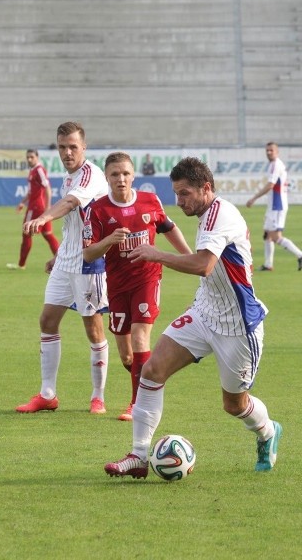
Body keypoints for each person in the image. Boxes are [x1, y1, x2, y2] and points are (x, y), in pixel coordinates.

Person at [104, 157, 282, 479]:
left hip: (237, 326)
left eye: (185, 193)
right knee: (152, 369)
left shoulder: (222, 214)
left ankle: (268, 433)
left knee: (234, 405)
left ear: (206, 188)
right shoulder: (206, 215)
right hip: (204, 312)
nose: (179, 201)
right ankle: (139, 456)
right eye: (176, 193)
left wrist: (156, 253)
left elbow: (203, 265)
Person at [83, 152, 192, 421]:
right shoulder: (97, 210)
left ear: (133, 175)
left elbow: (168, 227)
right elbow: (88, 254)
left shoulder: (149, 201)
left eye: (125, 174)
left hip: (147, 278)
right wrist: (109, 240)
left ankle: (137, 404)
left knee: (141, 337)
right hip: (118, 285)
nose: (121, 179)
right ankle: (147, 380)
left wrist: (190, 257)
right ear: (107, 177)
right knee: (127, 356)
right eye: (115, 174)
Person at [15, 122, 111, 415]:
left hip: (89, 263)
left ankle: (98, 397)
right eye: (62, 147)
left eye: (73, 147)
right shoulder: (68, 178)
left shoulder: (91, 175)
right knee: (47, 320)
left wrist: (43, 217)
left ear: (84, 147)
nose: (67, 152)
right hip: (67, 260)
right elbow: (73, 224)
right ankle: (47, 394)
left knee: (93, 329)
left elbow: (70, 205)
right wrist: (58, 257)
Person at [245, 142, 302, 272]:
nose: (268, 152)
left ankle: (301, 255)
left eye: (271, 150)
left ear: (277, 152)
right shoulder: (274, 165)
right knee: (267, 235)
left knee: (275, 236)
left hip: (277, 206)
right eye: (267, 150)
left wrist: (254, 198)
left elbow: (270, 185)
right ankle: (268, 265)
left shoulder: (276, 165)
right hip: (273, 206)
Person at [7, 149, 60, 270]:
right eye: (28, 157)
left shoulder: (39, 170)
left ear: (37, 157)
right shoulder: (33, 171)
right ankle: (62, 261)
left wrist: (47, 207)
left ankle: (21, 265)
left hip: (36, 207)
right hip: (37, 206)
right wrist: (22, 202)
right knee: (48, 234)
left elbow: (47, 188)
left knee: (26, 233)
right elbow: (32, 191)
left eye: (31, 157)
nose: (29, 159)